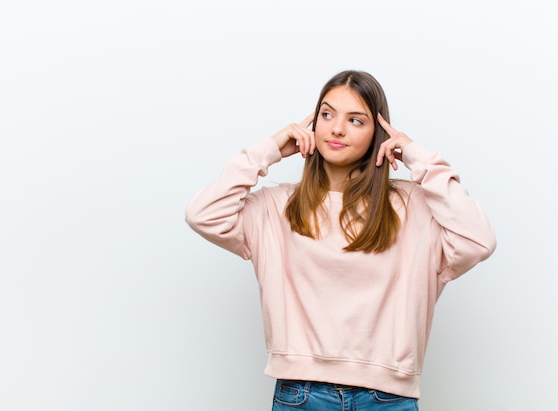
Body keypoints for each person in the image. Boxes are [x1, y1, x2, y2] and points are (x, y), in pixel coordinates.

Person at [185, 70, 496, 410]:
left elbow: (478, 240)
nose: (336, 129)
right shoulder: (277, 207)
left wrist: (417, 157)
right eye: (327, 114)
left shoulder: (414, 207)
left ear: (379, 134)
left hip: (387, 397)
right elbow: (203, 213)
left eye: (356, 120)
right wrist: (269, 149)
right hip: (301, 395)